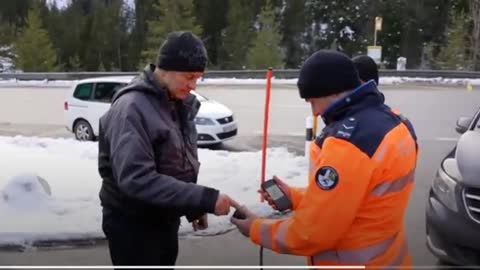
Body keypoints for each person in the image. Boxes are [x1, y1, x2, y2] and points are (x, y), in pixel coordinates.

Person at [231, 50, 418, 268]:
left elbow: (311, 233)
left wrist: (256, 228)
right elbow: (357, 196)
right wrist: (296, 196)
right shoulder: (396, 122)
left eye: (312, 101)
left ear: (332, 93)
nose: (316, 112)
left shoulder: (347, 144)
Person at [98, 31, 234, 267]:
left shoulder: (176, 103)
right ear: (166, 68)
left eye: (198, 78)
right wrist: (205, 198)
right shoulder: (132, 108)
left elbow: (176, 164)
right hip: (133, 228)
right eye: (189, 77)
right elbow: (137, 179)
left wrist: (193, 206)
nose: (193, 86)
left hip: (164, 220)